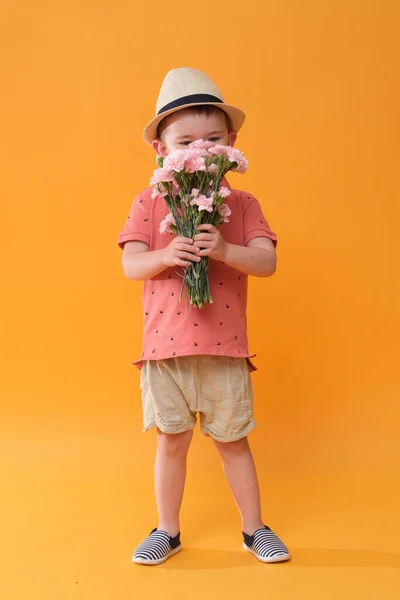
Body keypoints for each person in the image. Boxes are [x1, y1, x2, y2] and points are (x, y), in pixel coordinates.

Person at [117, 67, 290, 565]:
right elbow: (131, 265)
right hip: (165, 351)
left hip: (225, 349)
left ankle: (253, 529)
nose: (201, 149)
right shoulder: (149, 203)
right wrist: (168, 256)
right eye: (186, 140)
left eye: (214, 139)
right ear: (161, 150)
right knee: (171, 442)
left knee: (234, 442)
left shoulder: (241, 203)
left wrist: (226, 249)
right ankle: (166, 529)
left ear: (231, 143)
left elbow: (268, 262)